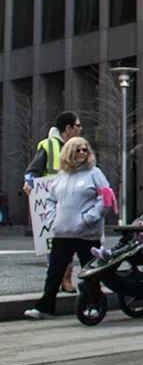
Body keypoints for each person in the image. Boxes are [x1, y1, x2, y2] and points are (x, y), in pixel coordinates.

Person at [24, 137, 114, 319]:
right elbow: (50, 200)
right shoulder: (61, 177)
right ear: (69, 153)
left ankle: (94, 304)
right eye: (78, 150)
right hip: (62, 231)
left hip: (87, 233)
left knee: (90, 272)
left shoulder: (95, 174)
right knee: (54, 272)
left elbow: (105, 200)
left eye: (85, 150)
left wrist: (90, 218)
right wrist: (52, 220)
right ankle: (44, 307)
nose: (82, 153)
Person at [24, 111, 85, 294]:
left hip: (73, 203)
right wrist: (29, 183)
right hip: (52, 202)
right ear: (68, 128)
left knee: (71, 242)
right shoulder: (48, 145)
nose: (80, 129)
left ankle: (65, 278)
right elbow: (33, 170)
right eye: (77, 125)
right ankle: (61, 279)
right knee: (57, 244)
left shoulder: (79, 147)